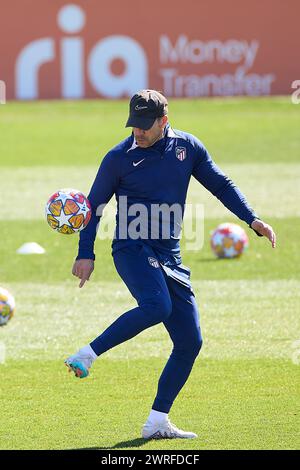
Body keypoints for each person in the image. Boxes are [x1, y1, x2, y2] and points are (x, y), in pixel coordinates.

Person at [65, 90, 276, 439]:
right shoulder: (118, 158)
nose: (139, 132)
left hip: (169, 254)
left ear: (165, 120)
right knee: (157, 305)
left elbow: (221, 185)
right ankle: (87, 354)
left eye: (146, 126)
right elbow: (94, 205)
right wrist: (85, 253)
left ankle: (157, 421)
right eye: (134, 125)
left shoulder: (188, 148)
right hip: (132, 248)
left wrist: (252, 219)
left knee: (190, 341)